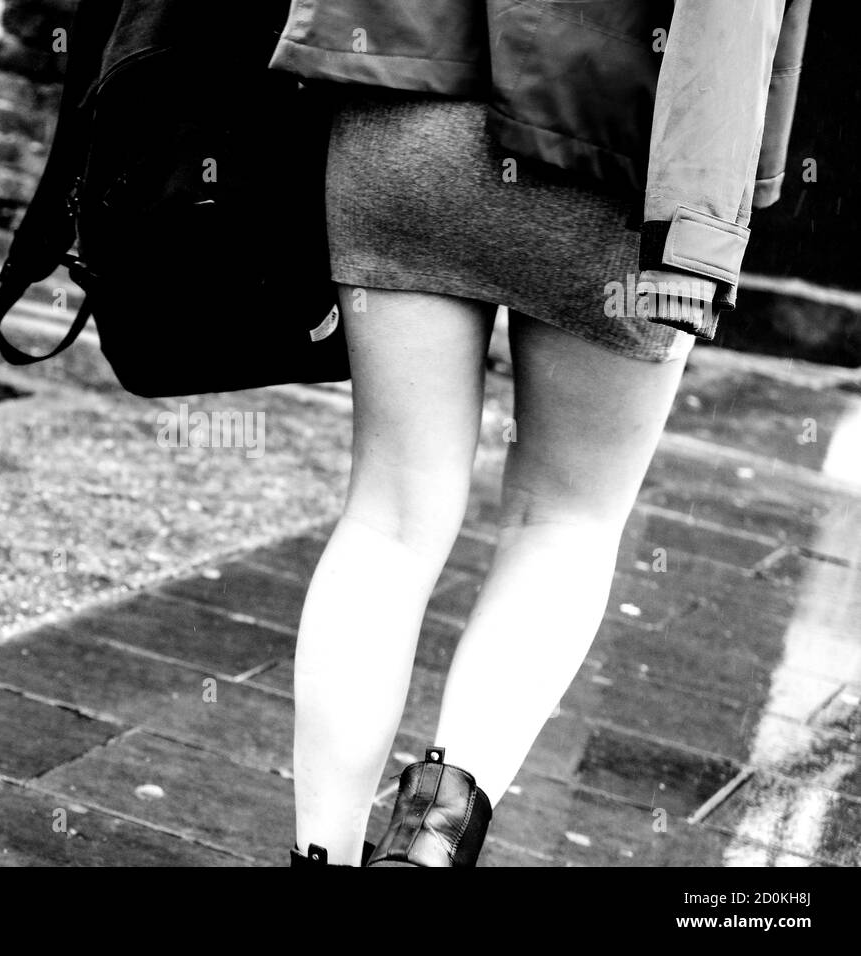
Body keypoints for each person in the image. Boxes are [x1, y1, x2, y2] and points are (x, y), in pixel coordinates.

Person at [269, 0, 812, 866]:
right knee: (564, 525)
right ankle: (426, 847)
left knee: (388, 523)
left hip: (407, 120)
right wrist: (703, 231)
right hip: (618, 159)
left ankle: (319, 858)